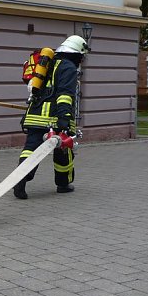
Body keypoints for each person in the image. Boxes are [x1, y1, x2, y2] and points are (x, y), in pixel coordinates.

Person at [13, 35, 88, 199]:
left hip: (34, 115)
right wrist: (65, 117)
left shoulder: (47, 63)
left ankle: (20, 180)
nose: (81, 60)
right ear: (75, 54)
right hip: (54, 118)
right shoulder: (68, 67)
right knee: (64, 151)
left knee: (31, 150)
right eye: (81, 57)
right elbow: (65, 95)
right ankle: (63, 184)